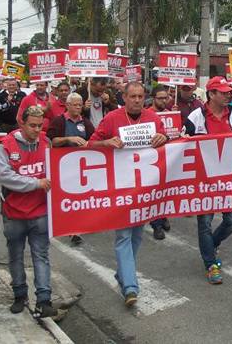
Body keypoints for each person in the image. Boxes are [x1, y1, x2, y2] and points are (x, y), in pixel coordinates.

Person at [88, 82, 168, 306]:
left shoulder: (153, 118)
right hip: (120, 186)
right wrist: (106, 142)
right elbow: (91, 143)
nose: (136, 100)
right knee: (124, 235)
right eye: (132, 96)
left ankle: (123, 273)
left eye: (140, 96)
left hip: (145, 188)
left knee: (137, 235)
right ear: (123, 97)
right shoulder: (112, 118)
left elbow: (166, 144)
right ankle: (131, 287)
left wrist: (164, 138)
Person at [0, 105, 65, 320]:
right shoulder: (5, 145)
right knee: (15, 256)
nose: (36, 130)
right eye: (32, 125)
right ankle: (19, 295)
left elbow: (55, 168)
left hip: (40, 212)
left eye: (39, 125)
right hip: (14, 213)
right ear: (21, 123)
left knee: (41, 255)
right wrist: (35, 183)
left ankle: (44, 300)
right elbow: (5, 177)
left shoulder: (45, 141)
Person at [184, 77, 232, 285]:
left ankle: (211, 245)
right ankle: (210, 264)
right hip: (203, 180)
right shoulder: (196, 117)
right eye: (223, 92)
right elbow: (181, 145)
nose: (228, 95)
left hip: (227, 178)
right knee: (205, 223)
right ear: (211, 94)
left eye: (229, 92)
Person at [47, 92, 95, 246]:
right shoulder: (59, 121)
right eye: (75, 105)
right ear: (67, 105)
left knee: (79, 197)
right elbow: (51, 140)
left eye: (80, 105)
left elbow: (94, 139)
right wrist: (68, 139)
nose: (78, 107)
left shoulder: (86, 122)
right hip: (62, 166)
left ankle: (75, 228)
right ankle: (65, 224)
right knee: (65, 197)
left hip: (81, 166)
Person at [147, 85, 174, 239]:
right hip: (152, 160)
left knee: (165, 190)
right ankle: (156, 224)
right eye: (160, 98)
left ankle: (163, 215)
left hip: (167, 158)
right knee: (154, 191)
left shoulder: (171, 114)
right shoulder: (147, 115)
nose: (164, 101)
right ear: (153, 99)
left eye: (166, 98)